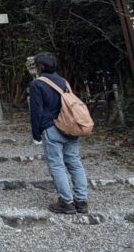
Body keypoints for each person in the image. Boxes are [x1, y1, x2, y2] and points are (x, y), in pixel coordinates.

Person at [29, 52, 89, 214]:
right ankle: (81, 200)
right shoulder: (64, 82)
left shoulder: (37, 84)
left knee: (57, 165)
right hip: (70, 127)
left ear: (40, 67)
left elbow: (36, 112)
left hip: (51, 128)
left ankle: (66, 201)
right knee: (75, 163)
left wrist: (36, 134)